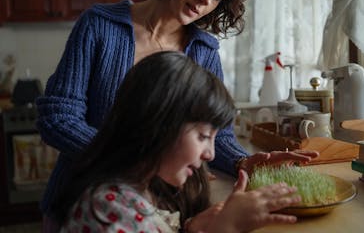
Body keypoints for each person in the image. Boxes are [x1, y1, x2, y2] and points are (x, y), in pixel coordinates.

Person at [36, 0, 319, 230]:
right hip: (84, 204)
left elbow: (215, 136)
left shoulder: (205, 50)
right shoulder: (100, 25)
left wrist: (241, 162)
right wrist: (142, 162)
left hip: (159, 212)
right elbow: (58, 119)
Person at [52, 51, 302, 232]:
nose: (210, 155)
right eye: (203, 136)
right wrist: (225, 228)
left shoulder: (143, 193)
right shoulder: (108, 212)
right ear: (158, 124)